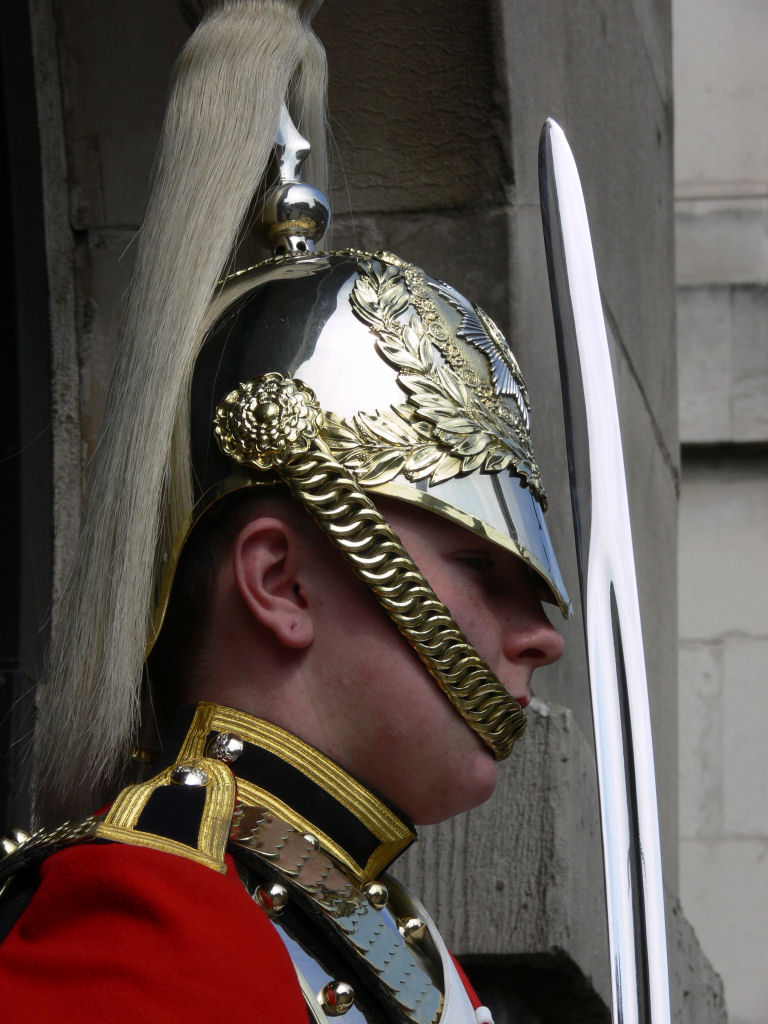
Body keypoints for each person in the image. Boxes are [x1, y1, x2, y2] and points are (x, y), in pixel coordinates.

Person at [0, 3, 569, 1021]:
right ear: (281, 580)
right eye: (484, 570)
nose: (542, 638)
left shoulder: (385, 941)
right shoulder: (148, 928)